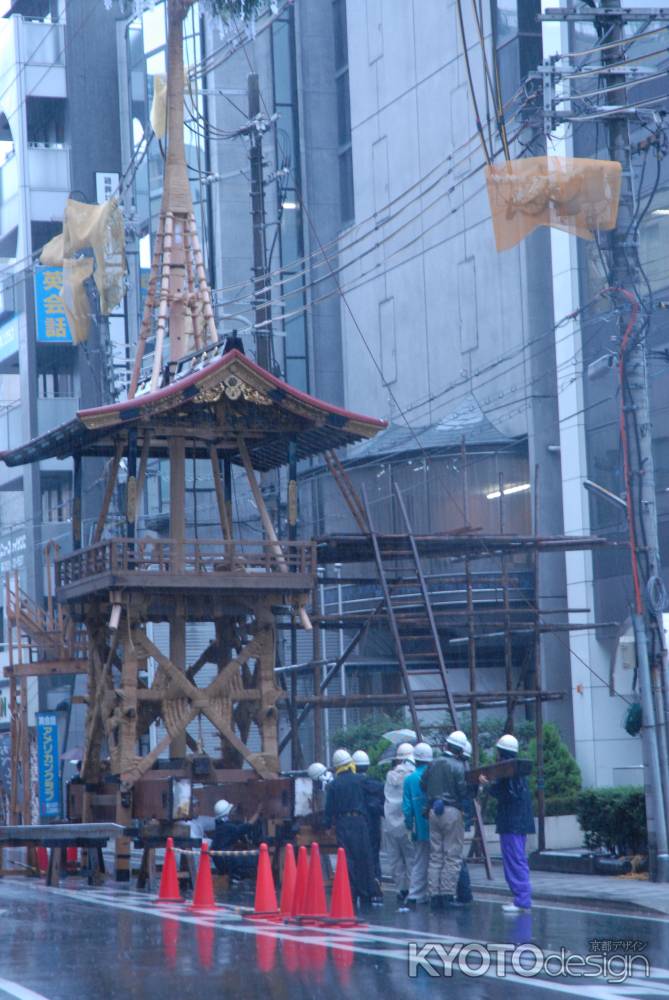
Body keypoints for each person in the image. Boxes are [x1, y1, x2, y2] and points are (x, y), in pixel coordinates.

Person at [482, 733, 534, 914]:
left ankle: (522, 899)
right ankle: (522, 898)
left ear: (501, 752)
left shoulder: (507, 771)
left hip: (511, 822)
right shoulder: (518, 770)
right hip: (520, 821)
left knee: (514, 860)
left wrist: (487, 785)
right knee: (518, 859)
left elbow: (505, 795)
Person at [420, 730, 469, 910]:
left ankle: (434, 895)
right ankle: (447, 895)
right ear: (460, 750)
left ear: (447, 745)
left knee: (435, 855)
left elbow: (422, 784)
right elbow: (463, 791)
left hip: (433, 811)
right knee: (452, 855)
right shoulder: (458, 766)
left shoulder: (432, 764)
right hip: (452, 811)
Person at [324, 748, 376, 907]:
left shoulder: (333, 785)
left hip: (343, 823)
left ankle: (351, 894)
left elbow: (329, 809)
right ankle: (367, 893)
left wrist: (327, 826)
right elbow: (377, 790)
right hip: (359, 822)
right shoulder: (360, 780)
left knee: (348, 860)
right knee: (364, 858)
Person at [384, 741, 416, 910]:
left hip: (390, 824)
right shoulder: (412, 775)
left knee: (395, 859)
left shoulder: (390, 775)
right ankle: (412, 890)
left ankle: (400, 889)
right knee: (411, 859)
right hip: (406, 824)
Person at [402, 741, 433, 909]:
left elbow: (406, 808)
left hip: (418, 826)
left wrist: (409, 825)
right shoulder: (435, 775)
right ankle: (434, 892)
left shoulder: (409, 779)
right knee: (437, 860)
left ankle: (415, 894)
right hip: (436, 824)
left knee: (420, 859)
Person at [352, 749, 385, 903]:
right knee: (374, 856)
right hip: (374, 824)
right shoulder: (377, 785)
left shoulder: (354, 785)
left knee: (358, 857)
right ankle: (376, 884)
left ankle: (361, 888)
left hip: (359, 824)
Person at [210, 798, 262, 881]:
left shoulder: (220, 826)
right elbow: (246, 827)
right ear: (227, 814)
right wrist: (257, 813)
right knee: (254, 860)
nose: (233, 813)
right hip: (225, 861)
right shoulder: (227, 827)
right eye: (231, 811)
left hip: (220, 860)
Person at [456, 738, 475, 905]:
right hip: (464, 816)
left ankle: (464, 892)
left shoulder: (459, 769)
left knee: (456, 856)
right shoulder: (467, 769)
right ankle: (464, 892)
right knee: (457, 855)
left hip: (458, 815)